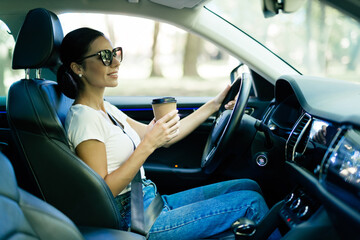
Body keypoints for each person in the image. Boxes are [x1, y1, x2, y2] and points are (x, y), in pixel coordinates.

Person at [57, 27, 279, 240]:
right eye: (104, 56)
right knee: (251, 202)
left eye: (115, 53)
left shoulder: (107, 109)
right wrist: (147, 146)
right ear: (78, 68)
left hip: (148, 201)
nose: (116, 62)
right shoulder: (84, 119)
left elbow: (166, 136)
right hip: (134, 219)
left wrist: (214, 105)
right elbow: (103, 193)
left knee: (248, 186)